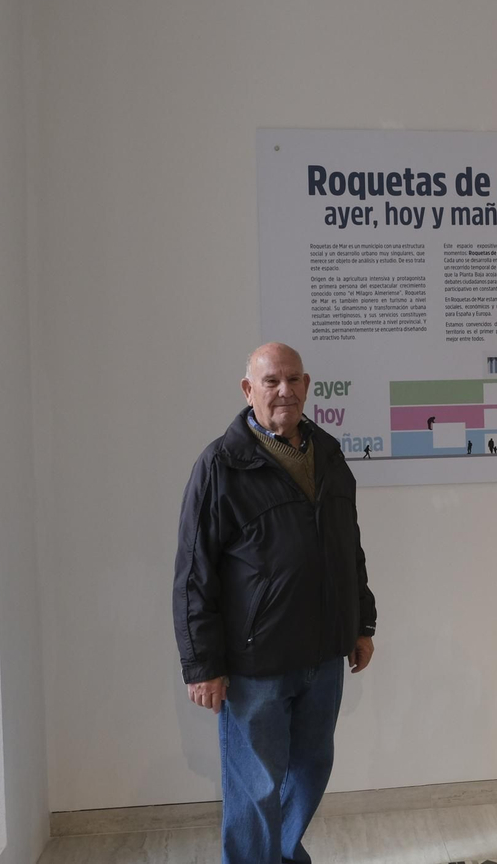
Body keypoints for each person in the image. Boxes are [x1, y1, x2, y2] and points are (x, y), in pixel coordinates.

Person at [174, 342, 377, 864]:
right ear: (249, 390)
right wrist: (202, 665)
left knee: (311, 771)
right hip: (255, 664)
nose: (284, 390)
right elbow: (194, 574)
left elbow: (347, 546)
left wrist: (362, 623)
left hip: (325, 655)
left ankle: (283, 856)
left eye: (293, 380)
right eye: (271, 382)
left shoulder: (329, 455)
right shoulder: (220, 465)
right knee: (256, 788)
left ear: (307, 386)